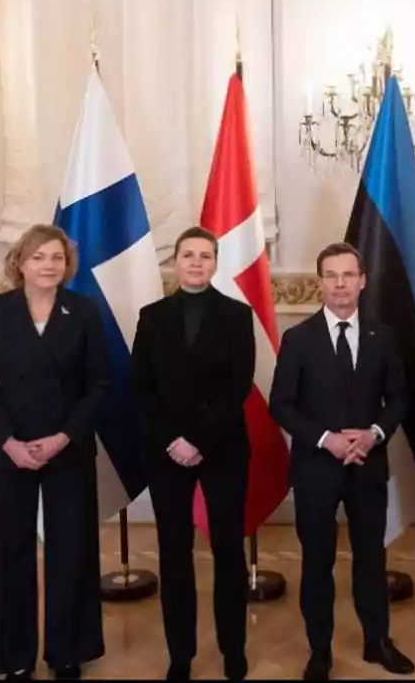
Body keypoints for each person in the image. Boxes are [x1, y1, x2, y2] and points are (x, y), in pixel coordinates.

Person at [270, 242, 415, 681]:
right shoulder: (298, 339)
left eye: (347, 275)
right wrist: (325, 439)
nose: (339, 284)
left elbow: (400, 399)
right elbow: (282, 404)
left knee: (371, 559)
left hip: (367, 465)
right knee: (318, 563)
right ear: (320, 283)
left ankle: (377, 642)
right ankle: (320, 651)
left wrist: (372, 435)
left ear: (362, 280)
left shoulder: (383, 336)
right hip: (317, 468)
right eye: (330, 276)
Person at [0, 225, 110, 681]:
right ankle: (11, 656)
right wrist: (9, 443)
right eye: (38, 258)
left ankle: (67, 653)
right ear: (20, 263)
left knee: (71, 549)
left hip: (67, 449)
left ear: (66, 264)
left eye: (56, 257)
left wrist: (62, 437)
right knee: (6, 552)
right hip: (9, 451)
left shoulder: (86, 311)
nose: (48, 265)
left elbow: (99, 385)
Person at [130, 226, 254, 681]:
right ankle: (180, 655)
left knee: (228, 553)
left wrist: (199, 440)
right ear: (175, 262)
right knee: (174, 554)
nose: (197, 262)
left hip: (222, 448)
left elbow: (238, 385)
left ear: (215, 263)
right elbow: (140, 388)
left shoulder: (238, 316)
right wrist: (173, 441)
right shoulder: (152, 316)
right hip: (166, 452)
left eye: (205, 255)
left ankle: (233, 650)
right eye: (188, 255)